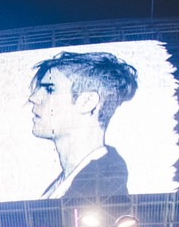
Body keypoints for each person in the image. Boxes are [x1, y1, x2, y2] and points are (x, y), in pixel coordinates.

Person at [28, 51, 138, 199]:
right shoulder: (68, 181)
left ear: (87, 102)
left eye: (50, 89)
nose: (33, 98)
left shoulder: (104, 187)